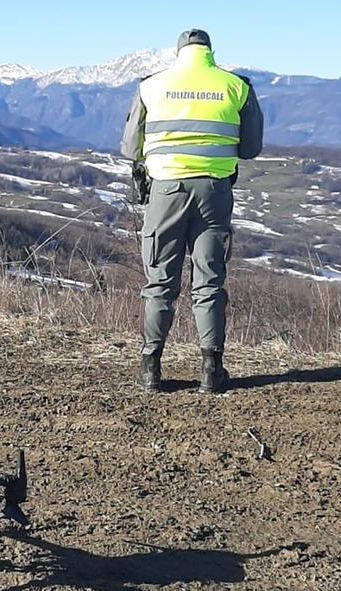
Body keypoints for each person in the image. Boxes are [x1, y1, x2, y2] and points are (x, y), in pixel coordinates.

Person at [120, 28, 264, 394]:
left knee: (160, 282)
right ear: (210, 52)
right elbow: (250, 149)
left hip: (166, 191)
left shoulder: (151, 86)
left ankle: (151, 369)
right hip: (215, 192)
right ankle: (211, 371)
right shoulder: (237, 87)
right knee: (210, 280)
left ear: (179, 52)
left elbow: (128, 147)